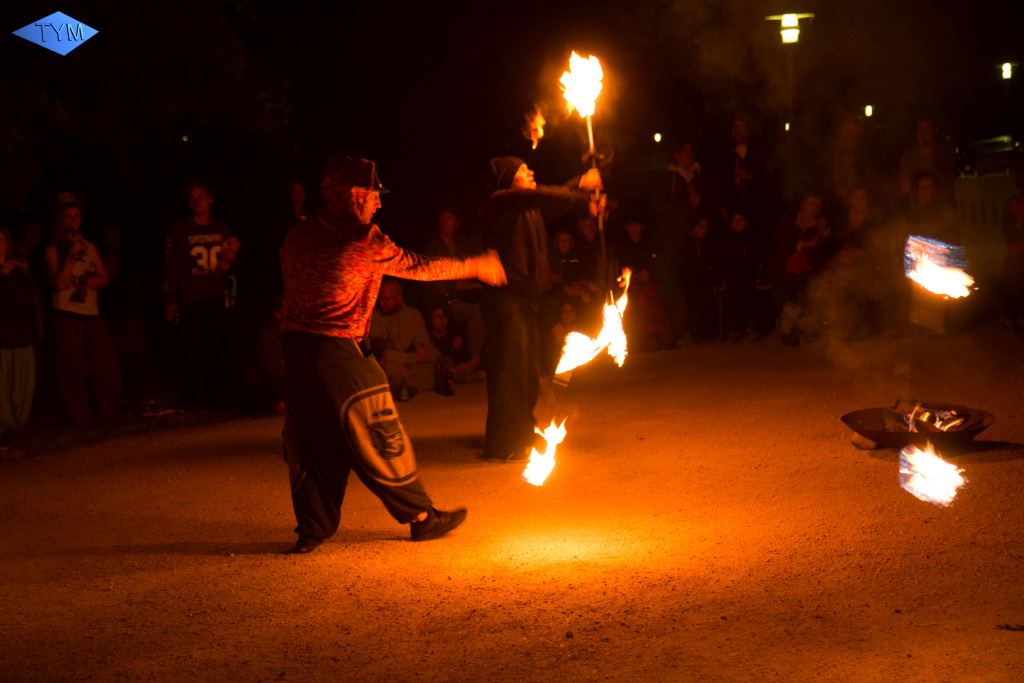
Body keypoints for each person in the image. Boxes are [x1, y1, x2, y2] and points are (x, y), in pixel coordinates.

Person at [278, 155, 506, 553]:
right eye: (372, 195)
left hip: (295, 354)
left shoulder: (297, 236)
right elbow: (418, 267)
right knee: (380, 432)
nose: (378, 203)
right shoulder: (363, 240)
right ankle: (422, 517)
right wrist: (476, 265)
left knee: (316, 440)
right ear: (353, 196)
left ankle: (311, 529)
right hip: (338, 352)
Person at [481, 156, 601, 462]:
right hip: (505, 301)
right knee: (510, 375)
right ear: (509, 179)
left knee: (527, 374)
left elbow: (554, 200)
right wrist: (579, 187)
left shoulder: (529, 206)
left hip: (523, 302)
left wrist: (582, 191)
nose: (530, 172)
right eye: (522, 171)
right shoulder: (504, 201)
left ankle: (521, 430)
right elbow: (543, 195)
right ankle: (504, 444)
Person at [44, 195, 122, 426]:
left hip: (92, 314)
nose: (73, 221)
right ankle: (79, 418)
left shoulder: (90, 246)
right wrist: (69, 255)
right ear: (60, 220)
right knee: (72, 369)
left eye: (77, 216)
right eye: (68, 217)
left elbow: (104, 279)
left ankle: (108, 413)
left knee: (107, 365)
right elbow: (58, 284)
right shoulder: (52, 248)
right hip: (67, 315)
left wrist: (78, 280)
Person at [163, 181, 240, 409]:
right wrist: (170, 301)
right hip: (191, 298)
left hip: (216, 296)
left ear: (210, 199)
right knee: (193, 350)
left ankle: (216, 398)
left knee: (216, 348)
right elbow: (171, 267)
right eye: (192, 198)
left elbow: (234, 261)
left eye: (201, 196)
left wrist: (231, 262)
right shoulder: (179, 230)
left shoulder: (221, 228)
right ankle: (196, 400)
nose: (197, 201)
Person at [0, 226, 45, 433]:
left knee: (21, 388)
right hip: (2, 341)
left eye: (1, 240)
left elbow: (33, 301)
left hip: (23, 337)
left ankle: (18, 426)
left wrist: (38, 331)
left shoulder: (21, 269)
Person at [368, 278, 440, 396]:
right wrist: (413, 358)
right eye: (380, 298)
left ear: (399, 299)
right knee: (390, 370)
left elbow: (426, 348)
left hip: (409, 368)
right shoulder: (376, 317)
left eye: (386, 299)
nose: (381, 303)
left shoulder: (413, 315)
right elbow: (382, 355)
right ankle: (404, 388)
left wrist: (437, 358)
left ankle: (404, 387)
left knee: (431, 369)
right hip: (391, 367)